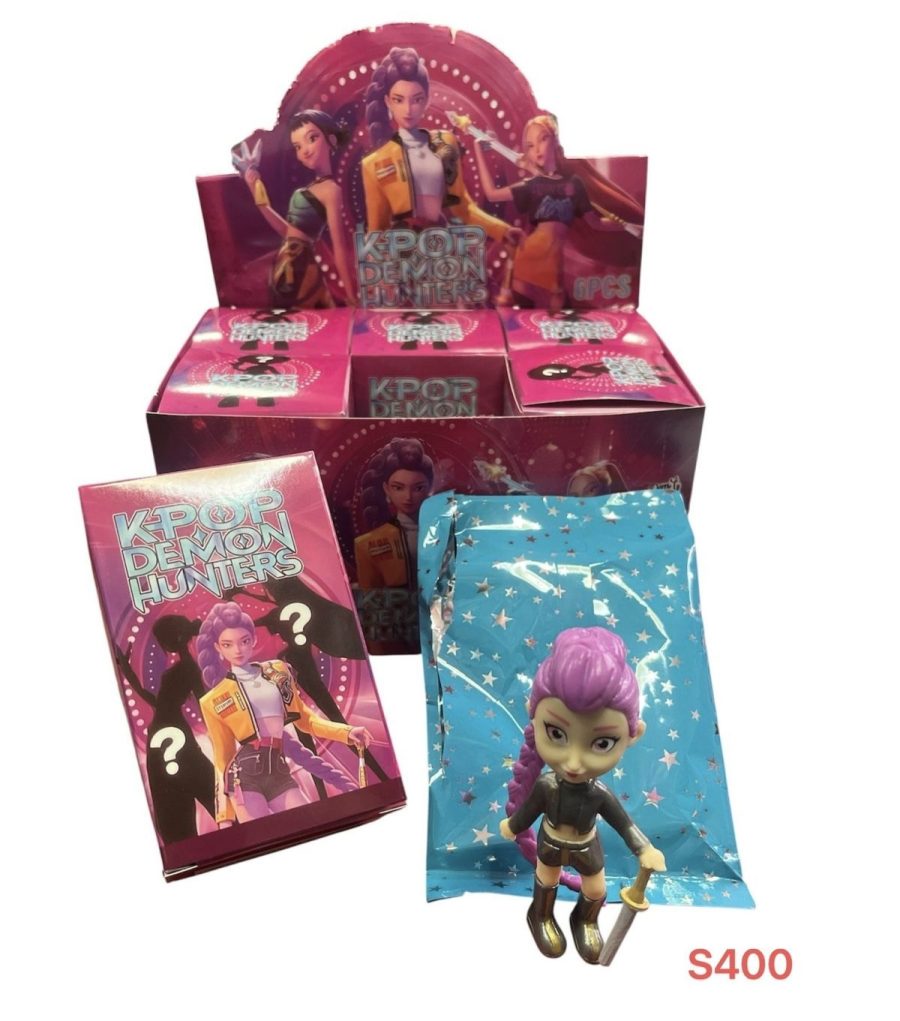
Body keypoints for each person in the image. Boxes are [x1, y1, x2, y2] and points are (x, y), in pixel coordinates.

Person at [500, 627, 666, 963]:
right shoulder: (546, 786)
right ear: (533, 712)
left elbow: (623, 823)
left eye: (601, 743)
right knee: (546, 878)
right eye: (556, 733)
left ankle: (585, 920)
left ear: (633, 735)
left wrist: (644, 848)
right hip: (551, 841)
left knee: (596, 889)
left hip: (587, 846)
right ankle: (541, 915)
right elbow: (528, 811)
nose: (574, 763)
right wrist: (514, 826)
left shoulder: (599, 793)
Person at [196, 601, 370, 826]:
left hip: (278, 769)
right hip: (243, 776)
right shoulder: (213, 699)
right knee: (262, 836)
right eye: (227, 644)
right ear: (218, 648)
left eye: (244, 641)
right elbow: (223, 759)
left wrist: (347, 732)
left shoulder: (277, 671)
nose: (237, 650)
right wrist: (224, 818)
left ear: (254, 639)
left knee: (309, 824)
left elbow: (306, 720)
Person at [471, 114, 644, 310]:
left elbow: (595, 223)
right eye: (530, 145)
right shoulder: (532, 186)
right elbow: (492, 194)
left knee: (556, 316)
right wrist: (479, 151)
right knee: (517, 316)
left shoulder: (574, 184)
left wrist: (630, 227)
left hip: (553, 265)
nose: (537, 149)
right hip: (528, 256)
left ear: (555, 140)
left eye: (543, 139)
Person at [360, 46, 519, 246]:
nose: (408, 109)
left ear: (427, 100)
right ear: (387, 102)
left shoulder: (445, 142)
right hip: (401, 254)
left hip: (441, 250)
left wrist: (503, 231)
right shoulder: (373, 163)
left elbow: (463, 208)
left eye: (416, 99)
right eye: (398, 100)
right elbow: (377, 231)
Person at [232, 110, 357, 307]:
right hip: (287, 263)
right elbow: (286, 232)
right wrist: (252, 185)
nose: (305, 151)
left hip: (299, 265)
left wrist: (351, 295)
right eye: (298, 147)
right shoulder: (312, 188)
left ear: (331, 140)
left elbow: (339, 245)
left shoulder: (331, 190)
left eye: (312, 139)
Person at [353, 437, 433, 591]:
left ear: (429, 488)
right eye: (398, 488)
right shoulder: (367, 544)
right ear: (386, 489)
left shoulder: (448, 535)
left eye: (418, 488)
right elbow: (371, 597)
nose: (408, 497)